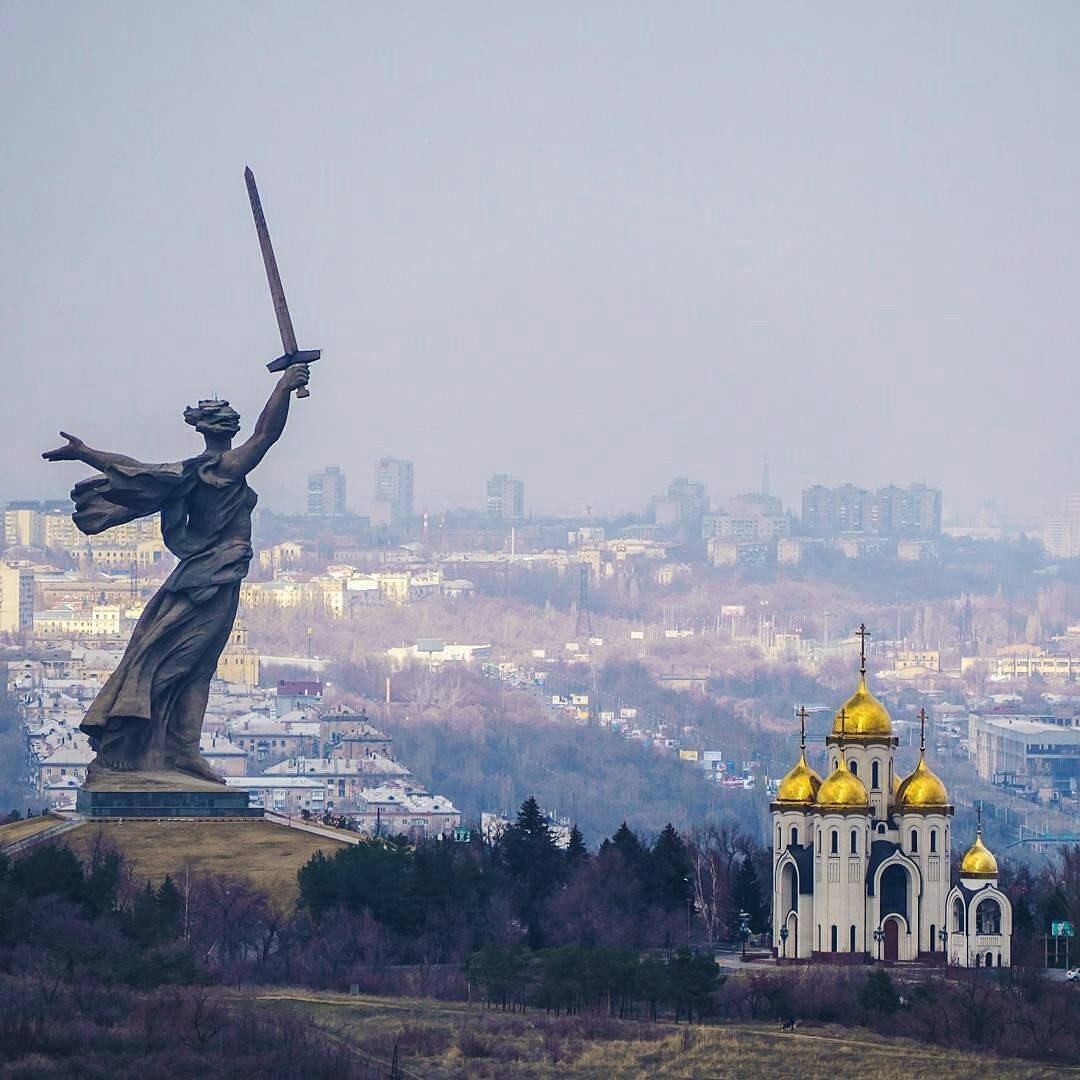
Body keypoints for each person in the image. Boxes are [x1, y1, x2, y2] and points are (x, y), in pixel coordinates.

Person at [42, 363, 310, 780]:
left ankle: (182, 749)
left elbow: (133, 469)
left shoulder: (188, 472)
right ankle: (132, 741)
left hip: (215, 577)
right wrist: (283, 387)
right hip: (209, 579)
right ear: (225, 429)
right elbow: (266, 435)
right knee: (176, 663)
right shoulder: (221, 469)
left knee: (198, 666)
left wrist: (86, 452)